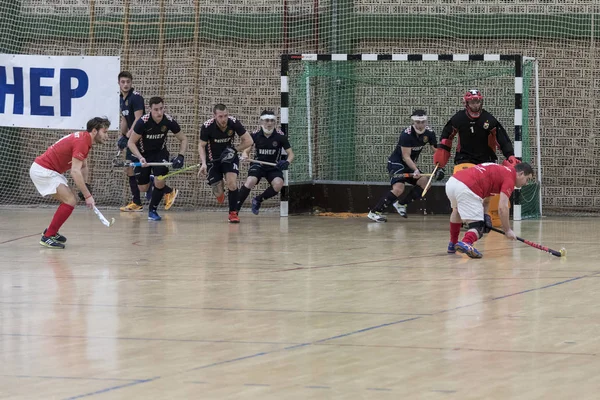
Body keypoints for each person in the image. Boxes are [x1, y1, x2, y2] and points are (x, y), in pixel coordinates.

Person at [433, 89, 520, 252]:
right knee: (457, 207)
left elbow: (503, 139)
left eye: (478, 101)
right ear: (466, 103)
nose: (476, 104)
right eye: (472, 102)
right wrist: (441, 157)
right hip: (464, 160)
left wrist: (510, 156)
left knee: (486, 198)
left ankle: (481, 219)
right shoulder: (458, 119)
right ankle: (456, 239)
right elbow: (446, 137)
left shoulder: (489, 119)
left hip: (486, 160)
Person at [30, 117, 111, 249]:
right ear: (95, 131)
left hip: (51, 172)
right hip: (43, 171)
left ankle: (51, 231)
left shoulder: (85, 140)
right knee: (70, 200)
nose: (106, 136)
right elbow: (75, 171)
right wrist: (88, 196)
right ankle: (48, 236)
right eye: (105, 132)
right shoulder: (82, 142)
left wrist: (86, 187)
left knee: (73, 197)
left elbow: (84, 166)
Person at [445, 162, 534, 258]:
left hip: (452, 182)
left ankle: (452, 244)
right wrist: (507, 230)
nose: (526, 183)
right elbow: (502, 207)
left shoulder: (501, 171)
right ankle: (467, 242)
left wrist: (485, 215)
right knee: (478, 227)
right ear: (520, 174)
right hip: (468, 187)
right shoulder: (510, 178)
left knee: (457, 211)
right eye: (527, 179)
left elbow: (486, 200)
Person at [368, 109, 442, 222]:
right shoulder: (406, 134)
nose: (420, 125)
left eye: (423, 122)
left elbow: (435, 151)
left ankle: (401, 204)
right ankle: (374, 212)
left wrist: (440, 166)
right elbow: (405, 156)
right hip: (397, 163)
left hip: (409, 164)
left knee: (425, 183)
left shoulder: (430, 133)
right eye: (418, 122)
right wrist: (416, 170)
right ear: (413, 121)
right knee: (399, 188)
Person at [128, 96, 188, 221]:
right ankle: (152, 179)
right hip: (143, 154)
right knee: (142, 188)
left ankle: (152, 210)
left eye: (161, 109)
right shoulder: (143, 122)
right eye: (156, 109)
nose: (159, 112)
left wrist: (181, 156)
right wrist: (140, 157)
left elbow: (183, 139)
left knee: (160, 181)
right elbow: (131, 143)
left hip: (160, 154)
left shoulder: (168, 120)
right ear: (150, 109)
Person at [198, 104, 253, 223]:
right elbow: (201, 146)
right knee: (219, 194)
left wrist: (234, 150)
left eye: (226, 116)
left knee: (232, 184)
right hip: (213, 160)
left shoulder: (233, 123)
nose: (224, 119)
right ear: (214, 116)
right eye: (220, 116)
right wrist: (203, 163)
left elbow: (249, 141)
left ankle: (233, 213)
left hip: (229, 157)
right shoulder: (207, 126)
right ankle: (219, 184)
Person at [237, 110, 294, 214]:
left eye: (272, 120)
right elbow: (247, 149)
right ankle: (235, 209)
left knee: (278, 184)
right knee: (250, 181)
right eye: (267, 120)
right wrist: (245, 155)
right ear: (261, 122)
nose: (269, 123)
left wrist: (287, 162)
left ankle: (258, 200)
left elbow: (291, 154)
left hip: (273, 166)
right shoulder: (255, 135)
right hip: (258, 164)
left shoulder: (280, 136)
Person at [116, 71, 147, 212]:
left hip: (140, 138)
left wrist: (129, 135)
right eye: (123, 82)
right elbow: (124, 119)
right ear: (119, 83)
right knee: (129, 168)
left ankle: (166, 190)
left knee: (142, 167)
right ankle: (137, 202)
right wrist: (122, 135)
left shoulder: (136, 98)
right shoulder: (120, 99)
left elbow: (138, 119)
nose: (125, 84)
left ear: (131, 83)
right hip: (130, 138)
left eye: (128, 82)